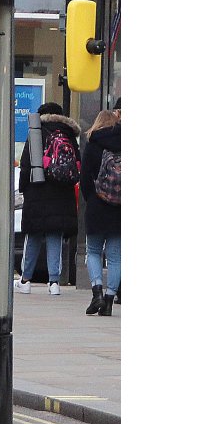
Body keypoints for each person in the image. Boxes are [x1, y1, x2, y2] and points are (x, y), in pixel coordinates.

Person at [14, 102, 82, 295]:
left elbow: (26, 164)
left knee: (33, 235)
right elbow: (77, 163)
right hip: (62, 193)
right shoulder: (68, 133)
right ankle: (54, 283)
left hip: (37, 191)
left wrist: (24, 189)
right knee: (55, 236)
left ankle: (25, 280)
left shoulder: (36, 132)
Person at [80, 106, 121, 316]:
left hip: (97, 205)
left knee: (93, 251)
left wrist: (92, 199)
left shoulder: (93, 144)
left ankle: (96, 291)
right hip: (120, 208)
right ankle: (109, 299)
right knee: (115, 257)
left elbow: (85, 178)